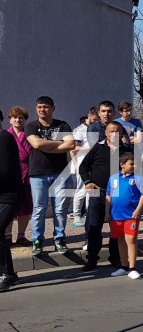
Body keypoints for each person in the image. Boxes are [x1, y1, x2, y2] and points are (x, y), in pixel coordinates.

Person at [25, 96, 78, 255]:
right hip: (38, 173)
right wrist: (58, 144)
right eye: (39, 107)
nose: (42, 110)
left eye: (46, 107)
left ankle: (59, 239)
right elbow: (36, 144)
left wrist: (46, 145)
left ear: (53, 108)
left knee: (60, 209)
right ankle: (37, 240)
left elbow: (71, 144)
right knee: (39, 208)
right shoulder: (31, 126)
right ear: (36, 108)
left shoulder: (62, 125)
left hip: (61, 173)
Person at [79, 121, 129, 271]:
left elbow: (134, 171)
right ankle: (92, 259)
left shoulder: (126, 151)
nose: (114, 134)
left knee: (117, 227)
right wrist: (88, 182)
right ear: (106, 133)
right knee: (93, 226)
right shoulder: (98, 148)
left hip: (118, 194)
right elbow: (83, 167)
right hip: (97, 191)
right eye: (111, 131)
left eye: (117, 131)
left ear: (121, 134)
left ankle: (115, 258)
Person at [106, 152, 143, 279]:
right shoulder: (113, 178)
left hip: (131, 215)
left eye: (135, 164)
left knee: (131, 240)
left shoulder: (137, 178)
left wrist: (138, 210)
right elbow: (109, 195)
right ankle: (123, 266)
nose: (134, 166)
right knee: (120, 240)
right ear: (122, 164)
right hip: (116, 215)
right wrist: (107, 212)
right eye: (131, 164)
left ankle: (132, 268)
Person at [0, 108, 24, 292]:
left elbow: (5, 171)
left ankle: (7, 274)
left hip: (9, 196)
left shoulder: (4, 138)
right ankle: (9, 274)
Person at [4, 106, 32, 247]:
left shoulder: (30, 135)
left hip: (27, 171)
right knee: (9, 206)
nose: (18, 120)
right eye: (15, 117)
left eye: (21, 117)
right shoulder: (5, 135)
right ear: (10, 120)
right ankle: (7, 235)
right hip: (10, 172)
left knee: (26, 205)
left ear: (25, 120)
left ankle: (21, 235)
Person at [71, 108, 98, 227]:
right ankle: (76, 215)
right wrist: (76, 165)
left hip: (94, 164)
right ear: (89, 115)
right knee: (81, 190)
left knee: (92, 191)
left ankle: (89, 214)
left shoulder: (97, 129)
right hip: (82, 164)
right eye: (95, 119)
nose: (96, 121)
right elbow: (72, 148)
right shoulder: (80, 130)